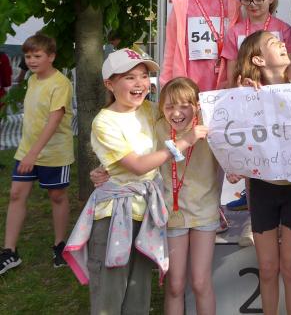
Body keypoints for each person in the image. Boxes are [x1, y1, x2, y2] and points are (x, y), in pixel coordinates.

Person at [62, 49, 207, 314]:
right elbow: (138, 165)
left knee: (139, 293)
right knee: (110, 293)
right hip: (113, 216)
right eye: (130, 77)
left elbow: (186, 115)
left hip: (146, 214)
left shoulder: (150, 110)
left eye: (143, 76)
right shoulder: (104, 122)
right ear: (109, 84)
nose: (140, 83)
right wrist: (184, 142)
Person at [89, 77, 222, 315]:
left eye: (185, 106)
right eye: (170, 106)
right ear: (161, 108)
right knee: (175, 285)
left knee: (201, 282)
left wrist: (235, 170)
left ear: (197, 105)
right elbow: (136, 154)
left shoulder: (210, 126)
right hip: (169, 212)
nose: (177, 113)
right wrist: (104, 169)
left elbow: (232, 152)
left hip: (205, 211)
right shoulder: (157, 126)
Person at [230, 31, 291, 315]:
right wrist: (243, 100)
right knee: (267, 268)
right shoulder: (246, 95)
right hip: (262, 188)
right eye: (274, 43)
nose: (282, 44)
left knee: (290, 266)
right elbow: (233, 138)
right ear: (258, 60)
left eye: (281, 42)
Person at [1, 34, 74, 275]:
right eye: (28, 56)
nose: (31, 61)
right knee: (16, 194)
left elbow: (54, 121)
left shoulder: (61, 83)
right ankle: (10, 252)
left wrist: (34, 154)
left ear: (51, 57)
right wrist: (29, 152)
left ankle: (60, 246)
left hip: (54, 154)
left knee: (57, 196)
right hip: (27, 150)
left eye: (37, 56)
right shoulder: (33, 80)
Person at [162, 0, 240, 91]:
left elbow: (238, 46)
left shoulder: (232, 4)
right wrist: (167, 84)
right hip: (188, 85)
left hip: (223, 83)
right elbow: (171, 48)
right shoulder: (181, 5)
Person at [223, 0, 291, 84]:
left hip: (278, 92)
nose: (252, 4)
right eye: (246, 0)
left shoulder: (284, 29)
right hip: (247, 92)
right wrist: (242, 89)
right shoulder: (234, 32)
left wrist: (282, 89)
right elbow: (231, 74)